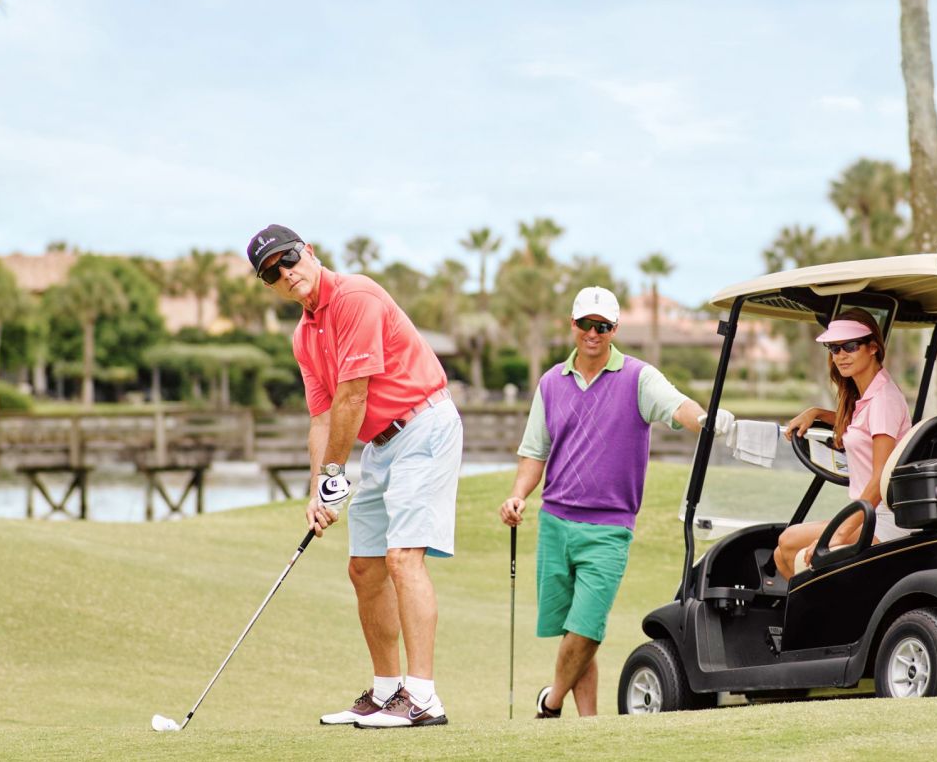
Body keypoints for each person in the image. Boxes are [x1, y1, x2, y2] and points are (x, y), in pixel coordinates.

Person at [246, 225, 463, 728]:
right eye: (272, 272)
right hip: (381, 446)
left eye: (289, 258)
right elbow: (321, 417)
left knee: (403, 557)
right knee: (364, 568)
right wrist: (318, 493)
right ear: (270, 285)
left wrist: (334, 473)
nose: (286, 273)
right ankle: (388, 692)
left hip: (423, 424)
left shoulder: (357, 296)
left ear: (311, 252)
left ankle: (425, 698)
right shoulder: (305, 336)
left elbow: (353, 396)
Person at [497, 286, 733, 719]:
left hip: (609, 527)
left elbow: (676, 404)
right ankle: (588, 726)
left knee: (586, 629)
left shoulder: (638, 377)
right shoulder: (551, 383)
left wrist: (704, 419)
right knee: (572, 631)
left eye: (602, 326)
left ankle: (549, 705)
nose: (593, 332)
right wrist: (517, 496)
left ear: (614, 329)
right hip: (555, 521)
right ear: (572, 325)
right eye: (586, 324)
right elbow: (535, 451)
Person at [775, 309, 912, 579]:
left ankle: (820, 619)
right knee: (782, 552)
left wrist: (839, 535)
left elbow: (879, 481)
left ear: (873, 347)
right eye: (834, 348)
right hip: (869, 514)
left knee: (789, 543)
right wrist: (817, 413)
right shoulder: (870, 396)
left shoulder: (883, 400)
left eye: (850, 346)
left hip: (881, 521)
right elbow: (859, 424)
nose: (840, 355)